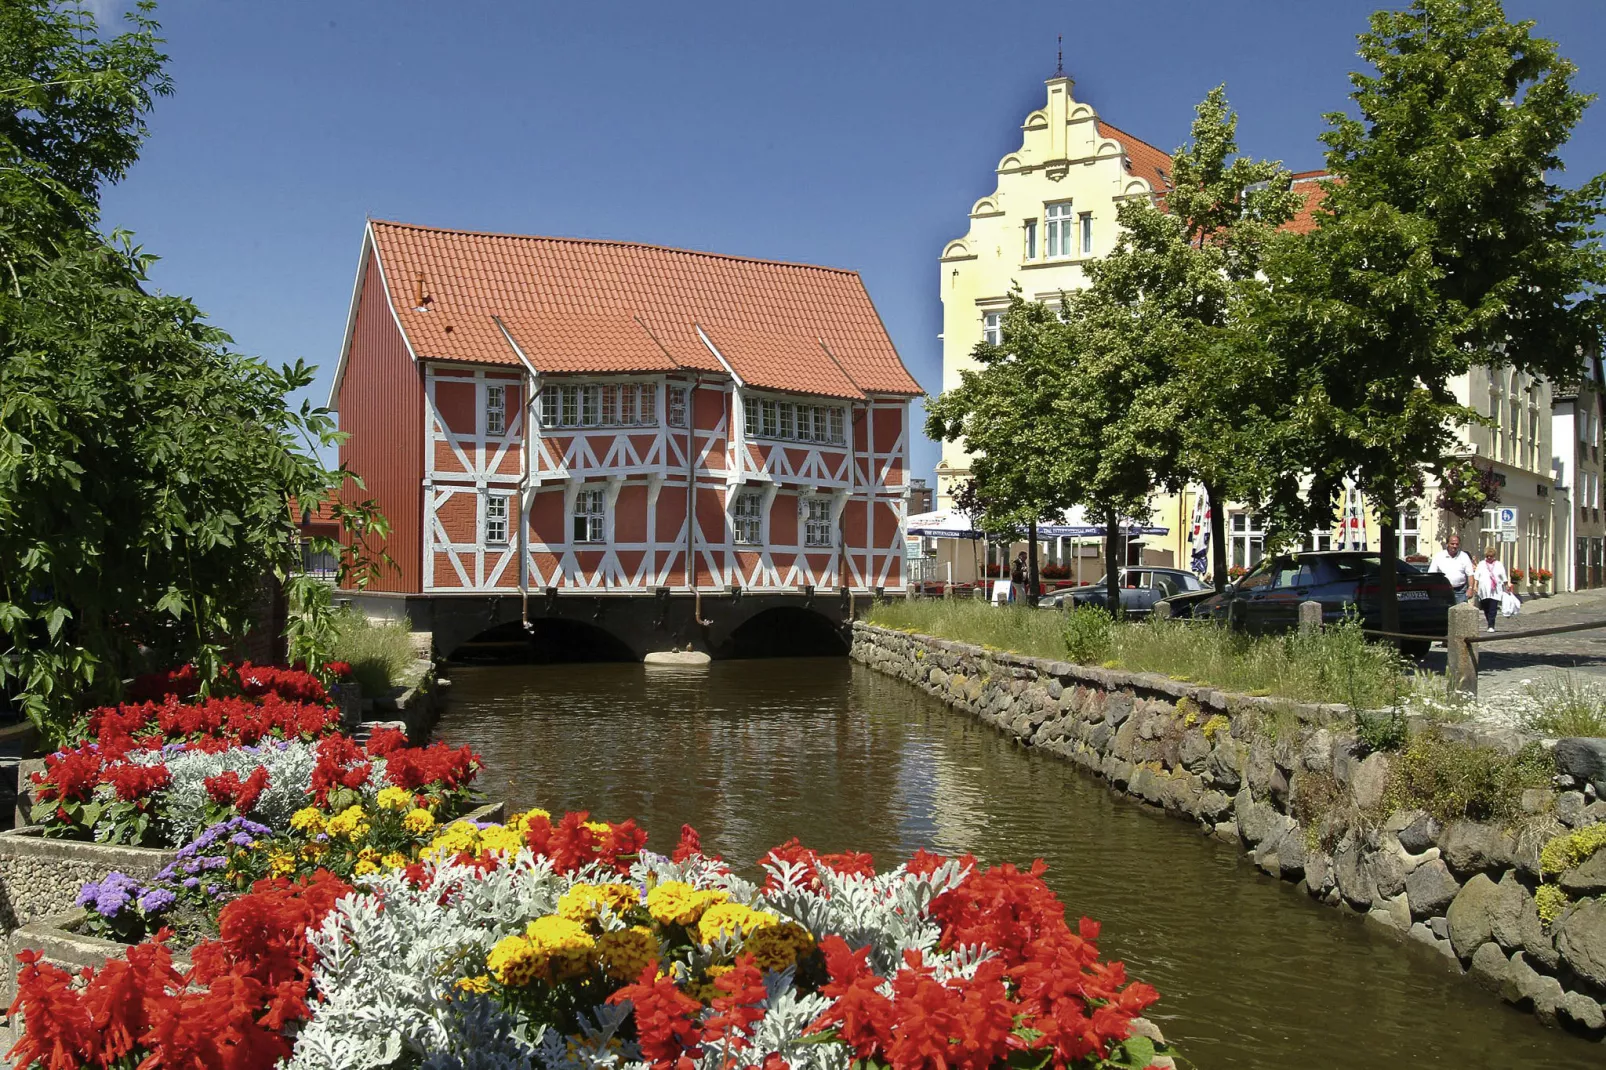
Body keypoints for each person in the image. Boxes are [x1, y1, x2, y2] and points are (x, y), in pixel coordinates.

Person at [1472, 545, 1512, 632]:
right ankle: (1489, 621)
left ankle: (1491, 625)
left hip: (1495, 590)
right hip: (1484, 590)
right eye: (1487, 556)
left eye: (1491, 556)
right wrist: (1475, 586)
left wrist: (1506, 585)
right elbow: (1477, 576)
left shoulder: (1498, 564)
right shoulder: (1482, 564)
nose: (1489, 558)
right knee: (1486, 607)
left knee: (1493, 608)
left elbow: (1503, 576)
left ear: (1494, 556)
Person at [1427, 533, 1476, 604]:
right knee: (1444, 612)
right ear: (1447, 544)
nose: (1455, 546)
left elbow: (1470, 574)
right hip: (1443, 591)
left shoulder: (1464, 556)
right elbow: (1431, 574)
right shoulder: (1439, 556)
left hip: (1460, 591)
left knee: (1460, 613)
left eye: (1457, 544)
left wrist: (1470, 588)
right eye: (1452, 544)